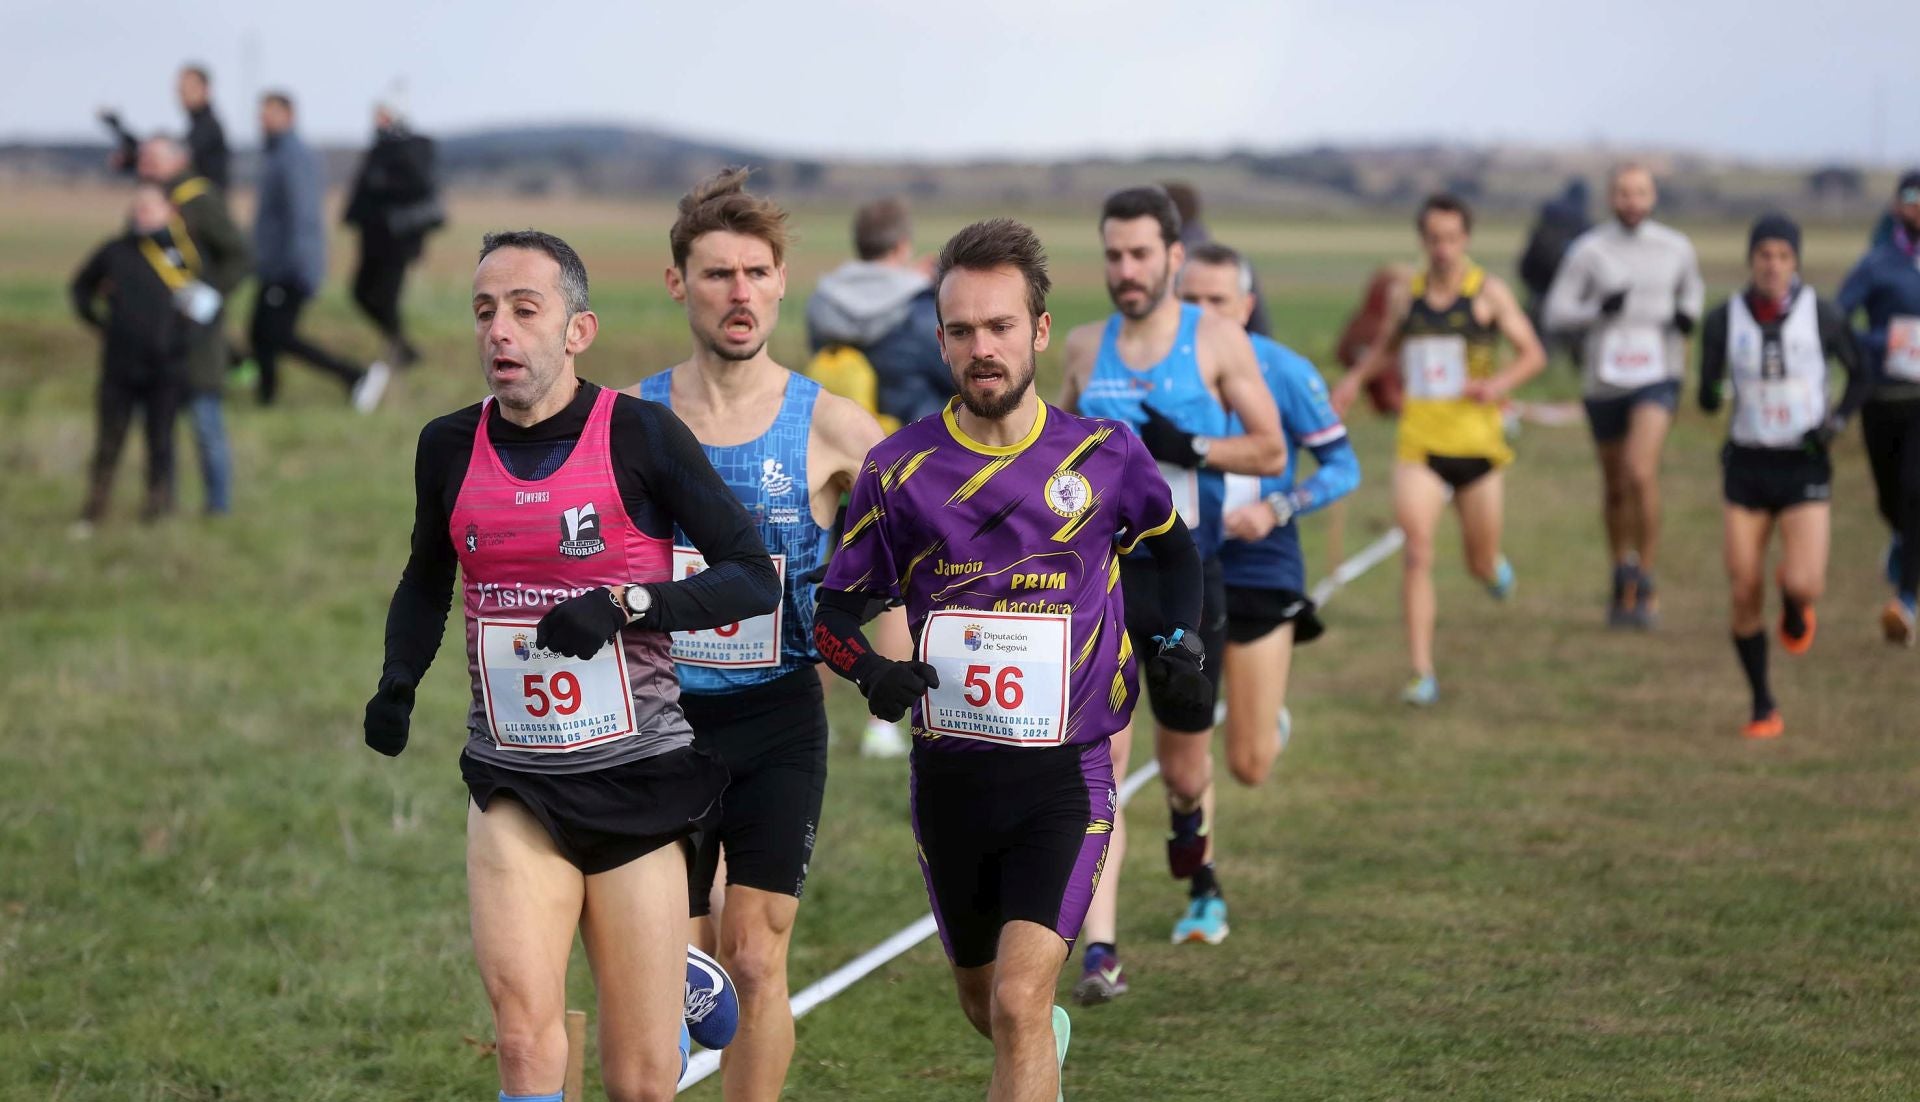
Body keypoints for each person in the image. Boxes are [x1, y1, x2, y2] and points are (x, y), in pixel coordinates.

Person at [363, 229, 778, 1101]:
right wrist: (398, 678)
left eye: (524, 310)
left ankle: (672, 980)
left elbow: (749, 576)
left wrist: (627, 605)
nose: (500, 332)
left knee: (638, 1082)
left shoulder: (641, 437)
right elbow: (426, 575)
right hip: (515, 783)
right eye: (485, 312)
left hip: (638, 782)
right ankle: (667, 974)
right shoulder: (447, 445)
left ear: (577, 330)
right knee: (522, 1041)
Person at [813, 217, 1210, 1101]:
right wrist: (869, 671)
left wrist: (1180, 640)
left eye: (1000, 327)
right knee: (988, 1006)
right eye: (961, 331)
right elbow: (832, 611)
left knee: (1023, 1003)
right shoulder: (897, 471)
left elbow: (1176, 554)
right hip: (952, 781)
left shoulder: (1105, 458)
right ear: (941, 338)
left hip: (1067, 777)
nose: (981, 348)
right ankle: (1034, 1044)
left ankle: (1036, 1034)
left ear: (1037, 329)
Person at [628, 168, 884, 1101]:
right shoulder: (633, 421)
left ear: (781, 283)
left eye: (755, 273)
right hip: (659, 721)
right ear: (678, 284)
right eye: (716, 274)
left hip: (779, 719)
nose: (739, 293)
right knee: (683, 967)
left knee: (757, 951)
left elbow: (914, 544)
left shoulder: (836, 425)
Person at [1059, 187, 1285, 986]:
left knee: (1185, 771)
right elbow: (1052, 455)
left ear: (1174, 256)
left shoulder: (1218, 341)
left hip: (1191, 583)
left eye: (1141, 254)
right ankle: (1101, 951)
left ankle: (1193, 839)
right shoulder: (1086, 349)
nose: (1126, 269)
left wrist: (1187, 444)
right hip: (1107, 585)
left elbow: (1269, 451)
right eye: (1114, 254)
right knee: (1101, 765)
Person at [1179, 241, 1360, 886]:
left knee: (1249, 765)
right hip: (1185, 558)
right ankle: (1203, 884)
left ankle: (1266, 718)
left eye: (1217, 301)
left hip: (1261, 556)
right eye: (1190, 299)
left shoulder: (1283, 371)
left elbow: (1344, 466)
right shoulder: (1157, 371)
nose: (1203, 312)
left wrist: (1280, 505)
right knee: (1187, 727)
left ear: (1247, 306)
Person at [1332, 194, 1546, 705]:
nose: (1443, 249)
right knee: (1417, 550)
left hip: (1477, 446)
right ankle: (1421, 672)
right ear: (1423, 241)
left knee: (1478, 559)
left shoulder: (1487, 294)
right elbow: (1387, 345)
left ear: (1465, 240)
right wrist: (1355, 380)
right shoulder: (1409, 295)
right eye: (1434, 239)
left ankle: (1492, 569)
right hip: (1421, 444)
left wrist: (1496, 385)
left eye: (1452, 239)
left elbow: (1532, 353)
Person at [1699, 214, 1866, 738]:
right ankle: (1762, 704)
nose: (1772, 265)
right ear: (1751, 260)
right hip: (1747, 465)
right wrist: (1709, 396)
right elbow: (1707, 389)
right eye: (1764, 255)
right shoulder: (1725, 319)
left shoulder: (1822, 315)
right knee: (1744, 587)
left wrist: (1836, 421)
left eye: (1783, 256)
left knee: (1804, 581)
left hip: (1803, 462)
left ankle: (1796, 605)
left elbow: (1862, 371)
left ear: (1796, 262)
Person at [1542, 164, 1705, 628]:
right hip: (1605, 378)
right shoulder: (1590, 251)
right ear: (1611, 198)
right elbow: (1556, 312)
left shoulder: (1675, 247)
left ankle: (1647, 575)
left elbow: (1691, 286)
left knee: (1640, 469)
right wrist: (1596, 311)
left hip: (1658, 372)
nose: (1632, 201)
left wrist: (1687, 313)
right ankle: (1621, 573)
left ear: (1653, 197)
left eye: (1641, 193)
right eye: (1623, 193)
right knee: (1615, 484)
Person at [251, 91, 388, 411]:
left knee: (278, 334)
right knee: (261, 332)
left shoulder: (293, 157)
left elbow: (302, 216)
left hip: (290, 265)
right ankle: (265, 396)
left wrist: (299, 267)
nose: (263, 118)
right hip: (274, 264)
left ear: (289, 115)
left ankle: (356, 375)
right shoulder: (275, 154)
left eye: (270, 112)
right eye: (261, 112)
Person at [136, 136, 250, 515]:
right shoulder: (146, 205)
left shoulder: (197, 198)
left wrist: (209, 295)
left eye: (153, 158)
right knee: (157, 427)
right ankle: (159, 503)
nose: (145, 164)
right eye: (142, 158)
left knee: (206, 424)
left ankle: (218, 507)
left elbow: (238, 255)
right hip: (155, 336)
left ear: (178, 159)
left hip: (198, 335)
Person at [68, 184, 193, 530]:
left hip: (166, 365)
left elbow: (205, 302)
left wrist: (183, 337)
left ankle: (158, 509)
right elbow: (80, 288)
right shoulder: (114, 251)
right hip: (120, 364)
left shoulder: (182, 254)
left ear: (168, 213)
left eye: (151, 208)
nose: (143, 214)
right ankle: (95, 508)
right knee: (109, 439)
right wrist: (97, 321)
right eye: (138, 208)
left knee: (161, 441)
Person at [1836, 170, 1920, 645]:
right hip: (1882, 399)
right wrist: (1882, 341)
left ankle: (1905, 601)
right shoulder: (1877, 264)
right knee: (1892, 499)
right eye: (1911, 198)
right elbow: (1838, 319)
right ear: (1895, 207)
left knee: (1915, 492)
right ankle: (1902, 540)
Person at [806, 196, 953, 427]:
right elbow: (956, 375)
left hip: (840, 436)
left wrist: (910, 279)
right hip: (910, 445)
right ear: (902, 245)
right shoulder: (919, 311)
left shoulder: (822, 302)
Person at [343, 99, 442, 368]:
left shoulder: (413, 147)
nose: (378, 121)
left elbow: (418, 184)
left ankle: (401, 350)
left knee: (386, 297)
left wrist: (385, 181)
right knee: (361, 293)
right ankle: (401, 346)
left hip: (397, 243)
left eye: (384, 116)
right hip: (372, 239)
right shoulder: (379, 148)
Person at [1162, 181, 1272, 337]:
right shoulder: (1234, 263)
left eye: (1216, 301)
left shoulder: (1170, 263)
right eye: (1190, 299)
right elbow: (1259, 329)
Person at [100, 63, 231, 191]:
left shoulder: (208, 128)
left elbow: (173, 158)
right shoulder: (199, 126)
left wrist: (123, 135)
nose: (183, 95)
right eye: (180, 90)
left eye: (189, 88)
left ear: (206, 89)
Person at [1518, 178, 1592, 341]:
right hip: (1575, 300)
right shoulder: (1586, 227)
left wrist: (1535, 286)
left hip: (1541, 295)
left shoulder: (1546, 223)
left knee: (1541, 349)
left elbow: (1525, 265)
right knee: (1580, 357)